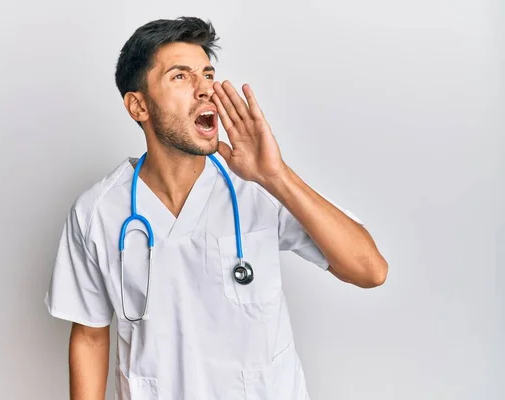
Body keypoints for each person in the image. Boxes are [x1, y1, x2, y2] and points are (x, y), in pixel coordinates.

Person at [44, 16, 388, 400]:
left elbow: (369, 270)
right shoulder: (97, 212)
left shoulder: (260, 186)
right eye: (180, 76)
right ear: (138, 105)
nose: (205, 89)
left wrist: (276, 177)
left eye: (207, 74)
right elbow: (90, 337)